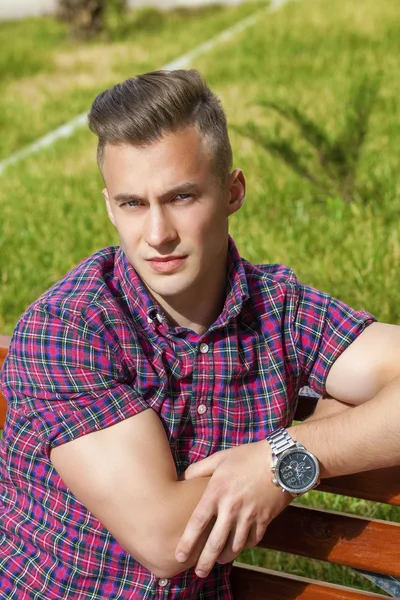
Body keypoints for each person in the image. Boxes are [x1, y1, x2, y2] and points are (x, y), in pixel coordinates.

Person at [0, 68, 399, 600]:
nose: (158, 235)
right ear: (108, 207)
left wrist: (286, 451)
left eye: (182, 197)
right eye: (132, 204)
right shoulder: (68, 328)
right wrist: (289, 465)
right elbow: (168, 541)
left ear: (232, 191)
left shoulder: (279, 312)